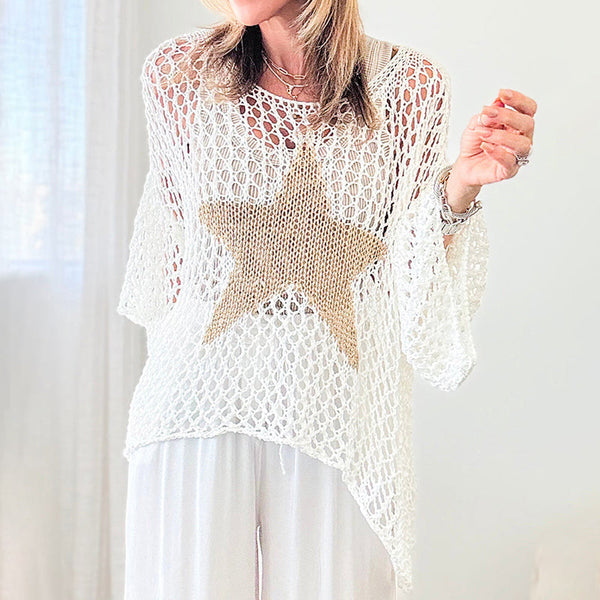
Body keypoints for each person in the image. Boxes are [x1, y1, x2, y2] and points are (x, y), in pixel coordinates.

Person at [117, 1, 537, 598]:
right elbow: (176, 272)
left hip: (338, 414)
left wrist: (459, 188)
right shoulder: (178, 73)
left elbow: (409, 286)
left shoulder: (410, 87)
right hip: (194, 408)